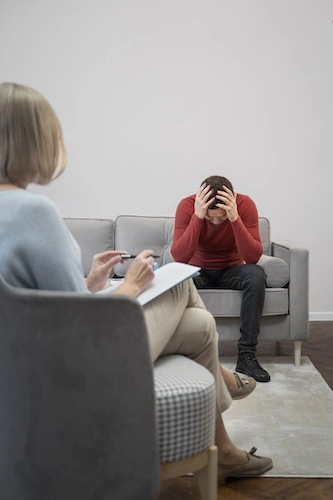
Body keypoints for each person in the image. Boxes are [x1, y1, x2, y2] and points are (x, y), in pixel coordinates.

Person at [0, 82, 272, 484]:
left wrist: (91, 283)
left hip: (34, 358)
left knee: (199, 328)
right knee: (179, 280)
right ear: (36, 142)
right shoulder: (34, 211)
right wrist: (130, 285)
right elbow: (79, 326)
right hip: (80, 364)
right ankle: (226, 379)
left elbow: (45, 306)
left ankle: (226, 450)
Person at [171, 175, 270, 383]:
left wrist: (234, 219)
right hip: (198, 270)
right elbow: (180, 257)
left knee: (256, 274)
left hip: (231, 270)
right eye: (210, 217)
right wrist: (198, 217)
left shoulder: (245, 205)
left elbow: (252, 257)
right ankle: (184, 356)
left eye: (221, 217)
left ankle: (246, 356)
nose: (216, 222)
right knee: (175, 278)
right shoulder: (187, 206)